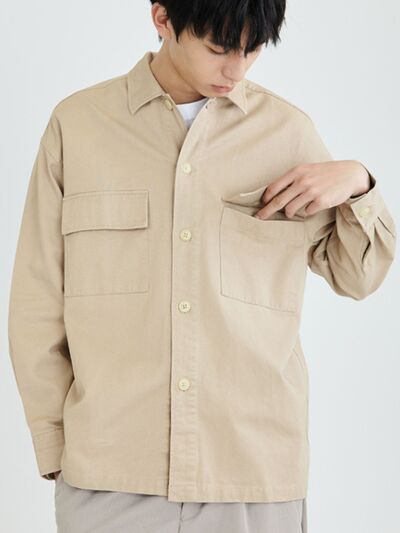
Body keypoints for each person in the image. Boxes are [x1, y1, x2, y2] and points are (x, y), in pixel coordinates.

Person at [7, 1, 396, 532]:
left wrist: (358, 184)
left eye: (252, 50)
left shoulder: (288, 135)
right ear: (162, 18)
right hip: (110, 475)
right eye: (219, 48)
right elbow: (37, 299)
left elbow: (358, 277)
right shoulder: (78, 127)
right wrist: (55, 443)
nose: (236, 70)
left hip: (252, 475)